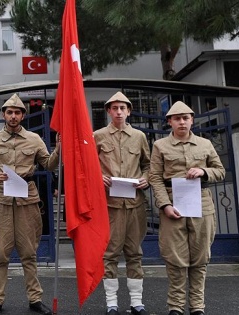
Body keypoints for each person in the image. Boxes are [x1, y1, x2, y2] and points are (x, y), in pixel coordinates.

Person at [0, 93, 60, 315]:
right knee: (0, 253)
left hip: (27, 198)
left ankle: (35, 298)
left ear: (23, 115)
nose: (13, 116)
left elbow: (48, 164)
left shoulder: (34, 139)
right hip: (1, 200)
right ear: (4, 115)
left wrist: (58, 149)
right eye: (9, 112)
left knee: (29, 252)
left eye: (17, 112)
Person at [148, 101, 225, 315]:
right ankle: (176, 306)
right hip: (173, 204)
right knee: (175, 259)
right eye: (177, 118)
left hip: (202, 203)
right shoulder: (160, 146)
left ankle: (197, 306)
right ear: (170, 122)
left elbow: (220, 171)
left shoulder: (205, 144)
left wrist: (203, 171)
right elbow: (155, 177)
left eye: (185, 118)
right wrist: (164, 205)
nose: (182, 122)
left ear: (192, 120)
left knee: (200, 258)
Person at [94, 92, 151, 315]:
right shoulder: (97, 136)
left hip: (135, 205)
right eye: (114, 108)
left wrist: (146, 178)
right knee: (110, 254)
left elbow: (148, 164)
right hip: (110, 205)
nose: (118, 112)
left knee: (135, 253)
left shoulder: (139, 136)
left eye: (122, 108)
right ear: (108, 111)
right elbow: (87, 166)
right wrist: (98, 176)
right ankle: (111, 303)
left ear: (128, 111)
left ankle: (137, 302)